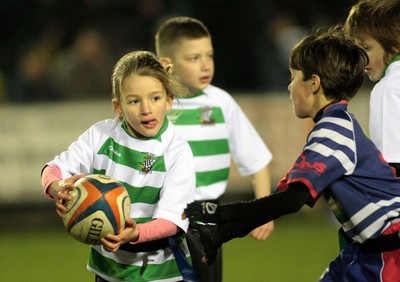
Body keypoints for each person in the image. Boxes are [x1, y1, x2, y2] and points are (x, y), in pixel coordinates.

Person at [183, 28, 400, 281]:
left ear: (314, 84)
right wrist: (221, 233)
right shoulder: (335, 125)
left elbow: (291, 200)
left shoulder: (334, 132)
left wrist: (219, 217)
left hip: (389, 254)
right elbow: (281, 198)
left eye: (293, 77)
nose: (289, 86)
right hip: (364, 252)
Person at [41, 50, 197, 282]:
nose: (146, 108)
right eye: (134, 101)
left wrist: (136, 233)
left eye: (155, 98)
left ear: (168, 100)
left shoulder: (176, 151)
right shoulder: (101, 135)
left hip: (159, 274)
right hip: (107, 272)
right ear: (118, 107)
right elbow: (53, 169)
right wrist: (57, 187)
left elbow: (173, 221)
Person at [155, 16, 274, 282]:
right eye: (194, 58)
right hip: (161, 215)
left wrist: (263, 212)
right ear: (167, 64)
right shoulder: (155, 105)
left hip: (207, 218)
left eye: (209, 55)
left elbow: (256, 161)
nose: (205, 64)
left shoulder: (221, 103)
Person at [344, 0, 400, 177]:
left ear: (394, 45)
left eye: (366, 48)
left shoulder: (389, 88)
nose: (361, 59)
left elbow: (392, 167)